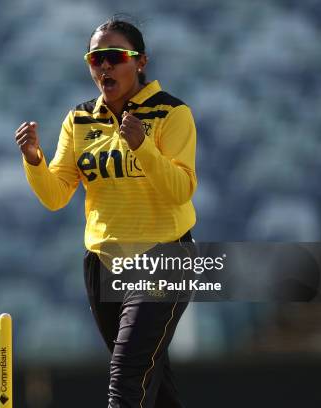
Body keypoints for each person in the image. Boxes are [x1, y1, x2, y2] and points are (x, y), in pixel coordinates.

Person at [15, 17, 198, 408]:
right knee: (153, 381)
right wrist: (34, 159)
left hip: (164, 257)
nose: (105, 67)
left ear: (141, 61)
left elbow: (180, 191)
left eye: (115, 57)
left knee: (127, 377)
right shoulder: (79, 120)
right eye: (95, 59)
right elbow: (56, 196)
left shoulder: (171, 113)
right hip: (104, 264)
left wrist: (143, 147)